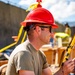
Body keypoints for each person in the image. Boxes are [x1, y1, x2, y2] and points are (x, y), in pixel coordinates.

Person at [6, 7, 75, 75]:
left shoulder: (40, 54)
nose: (51, 34)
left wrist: (68, 68)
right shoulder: (24, 54)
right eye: (50, 29)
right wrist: (63, 71)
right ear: (38, 30)